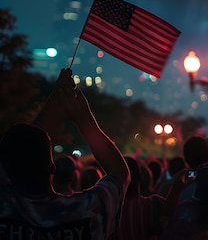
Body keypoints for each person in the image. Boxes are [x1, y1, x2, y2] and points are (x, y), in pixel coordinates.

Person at [0, 68, 129, 240]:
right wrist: (84, 118)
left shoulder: (4, 208)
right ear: (52, 167)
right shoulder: (84, 212)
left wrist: (56, 99)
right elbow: (120, 173)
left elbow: (27, 146)